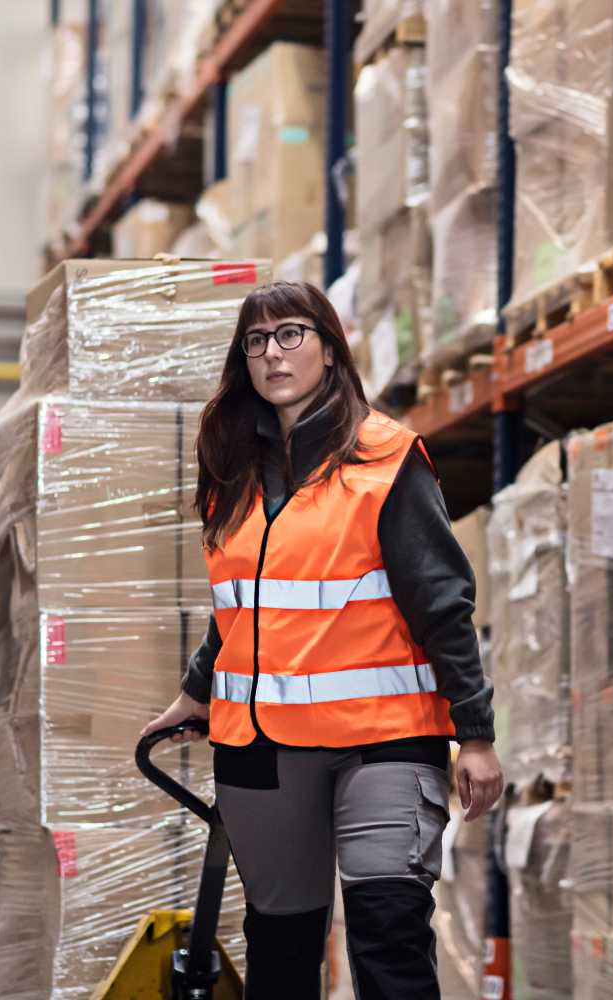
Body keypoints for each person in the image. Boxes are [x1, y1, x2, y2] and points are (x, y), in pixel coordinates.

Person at [143, 280, 502, 999]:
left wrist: (478, 732)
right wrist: (194, 692)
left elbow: (441, 601)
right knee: (279, 951)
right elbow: (243, 605)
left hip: (383, 738)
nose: (272, 354)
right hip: (263, 748)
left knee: (389, 935)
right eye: (255, 341)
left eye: (290, 335)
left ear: (331, 351)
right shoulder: (231, 470)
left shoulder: (386, 457)